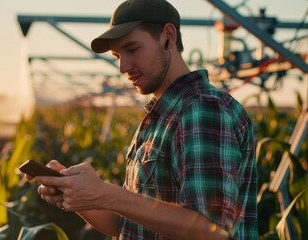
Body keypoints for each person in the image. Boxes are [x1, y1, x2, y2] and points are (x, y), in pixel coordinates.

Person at [28, 0, 257, 239]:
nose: (123, 66)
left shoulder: (203, 109)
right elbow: (125, 226)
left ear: (168, 36)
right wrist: (78, 196)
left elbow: (211, 232)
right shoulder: (161, 116)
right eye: (118, 55)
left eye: (132, 49)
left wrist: (107, 194)